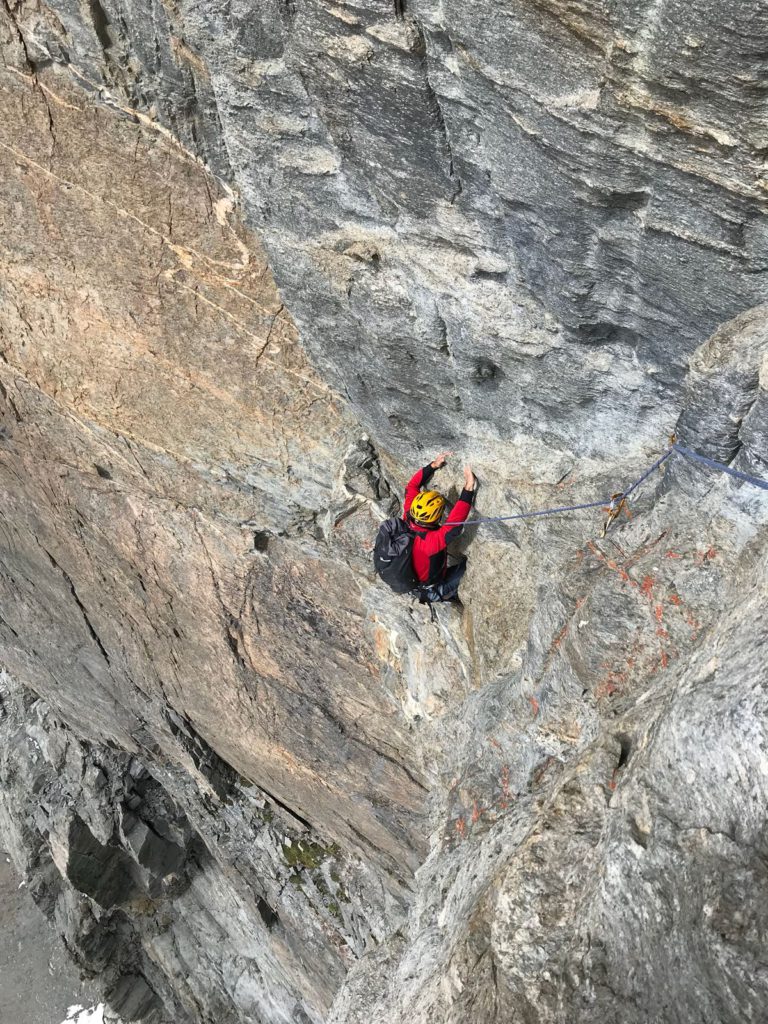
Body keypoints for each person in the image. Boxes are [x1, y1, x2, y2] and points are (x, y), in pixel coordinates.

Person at [404, 451, 476, 601]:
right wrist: (468, 487)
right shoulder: (430, 543)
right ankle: (452, 596)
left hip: (416, 581)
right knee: (473, 570)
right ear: (437, 517)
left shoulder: (407, 519)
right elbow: (454, 525)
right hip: (433, 589)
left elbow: (412, 486)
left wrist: (434, 465)